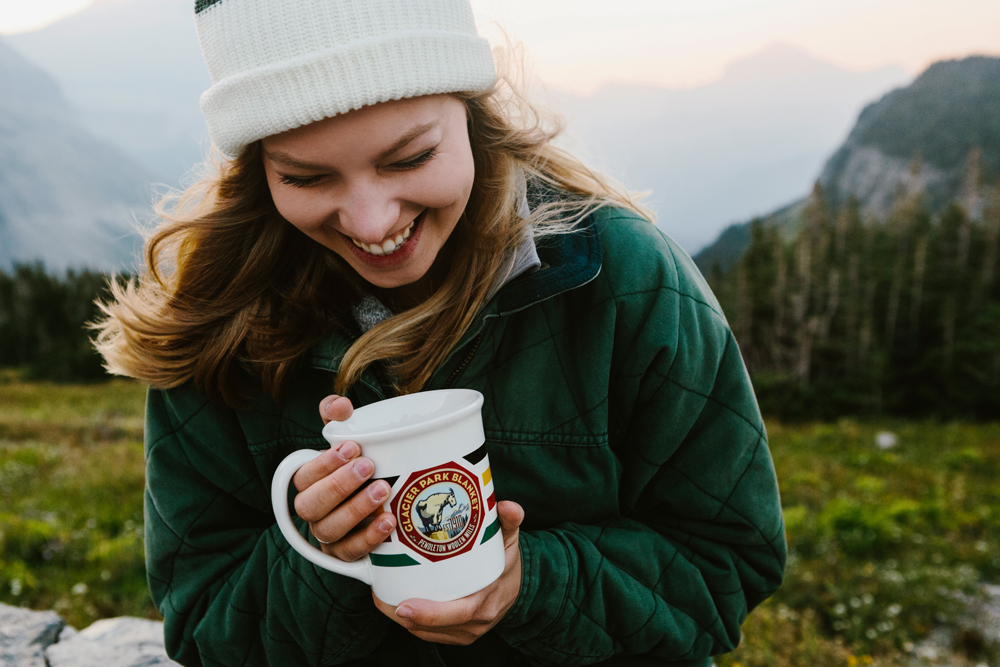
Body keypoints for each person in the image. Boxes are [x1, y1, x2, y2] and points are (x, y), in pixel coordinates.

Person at [94, 1, 786, 665]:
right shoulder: (221, 319)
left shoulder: (623, 278)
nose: (369, 223)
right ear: (258, 167)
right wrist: (327, 555)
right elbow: (203, 621)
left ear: (471, 113)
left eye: (408, 159)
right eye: (305, 177)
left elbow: (727, 562)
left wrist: (532, 582)